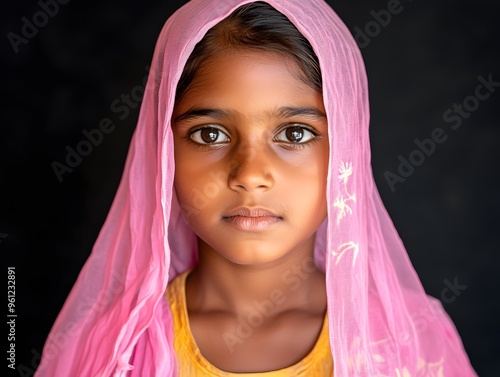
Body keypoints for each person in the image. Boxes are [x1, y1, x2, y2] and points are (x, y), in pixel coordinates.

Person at [35, 0, 477, 376]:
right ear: (162, 151)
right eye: (210, 134)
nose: (250, 173)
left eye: (295, 134)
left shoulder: (410, 341)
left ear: (348, 148)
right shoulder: (114, 351)